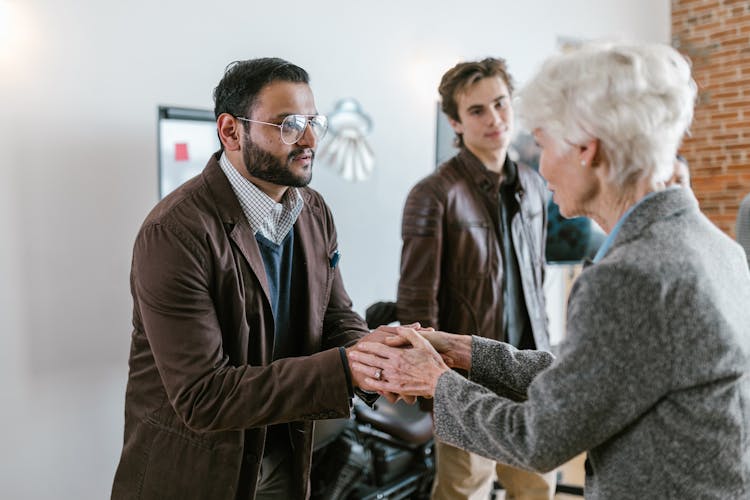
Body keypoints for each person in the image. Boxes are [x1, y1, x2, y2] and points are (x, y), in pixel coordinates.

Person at [350, 42, 750, 499]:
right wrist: (464, 350)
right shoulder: (716, 244)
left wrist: (434, 380)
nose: (538, 162)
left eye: (541, 143)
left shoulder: (627, 277)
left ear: (586, 149)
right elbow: (590, 371)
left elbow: (536, 437)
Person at [112, 57, 382, 500]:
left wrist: (374, 351)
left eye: (314, 121)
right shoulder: (175, 232)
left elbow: (336, 316)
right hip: (195, 474)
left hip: (285, 458)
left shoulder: (313, 211)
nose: (311, 138)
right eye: (289, 124)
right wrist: (345, 369)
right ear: (231, 131)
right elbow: (203, 396)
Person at [396, 57, 555, 500]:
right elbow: (415, 304)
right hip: (466, 380)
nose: (494, 119)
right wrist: (431, 391)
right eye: (477, 110)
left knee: (537, 487)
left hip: (528, 370)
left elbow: (536, 282)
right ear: (456, 122)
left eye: (501, 104)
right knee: (464, 491)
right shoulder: (434, 194)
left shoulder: (534, 185)